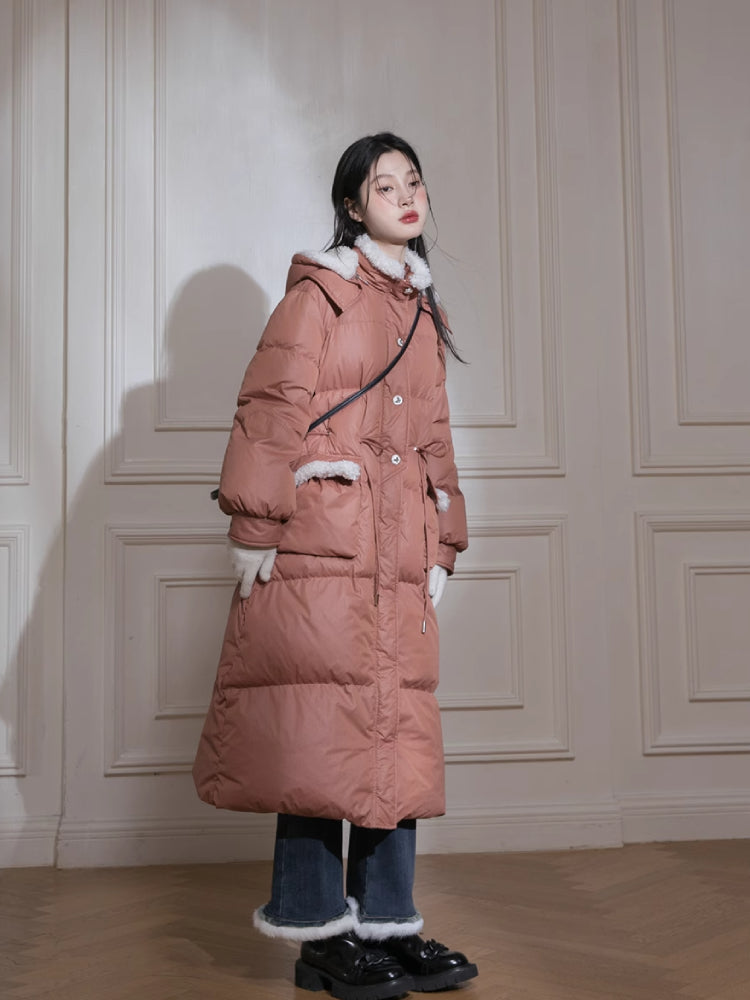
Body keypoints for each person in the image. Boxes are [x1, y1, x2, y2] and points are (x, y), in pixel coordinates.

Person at [193, 133, 477, 999]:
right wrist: (254, 523)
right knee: (318, 736)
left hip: (398, 554)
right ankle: (318, 933)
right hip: (324, 543)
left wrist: (445, 539)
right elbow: (270, 407)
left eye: (413, 180)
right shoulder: (319, 296)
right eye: (384, 185)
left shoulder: (420, 309)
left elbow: (434, 437)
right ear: (352, 205)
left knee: (395, 736)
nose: (406, 195)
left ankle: (387, 923)